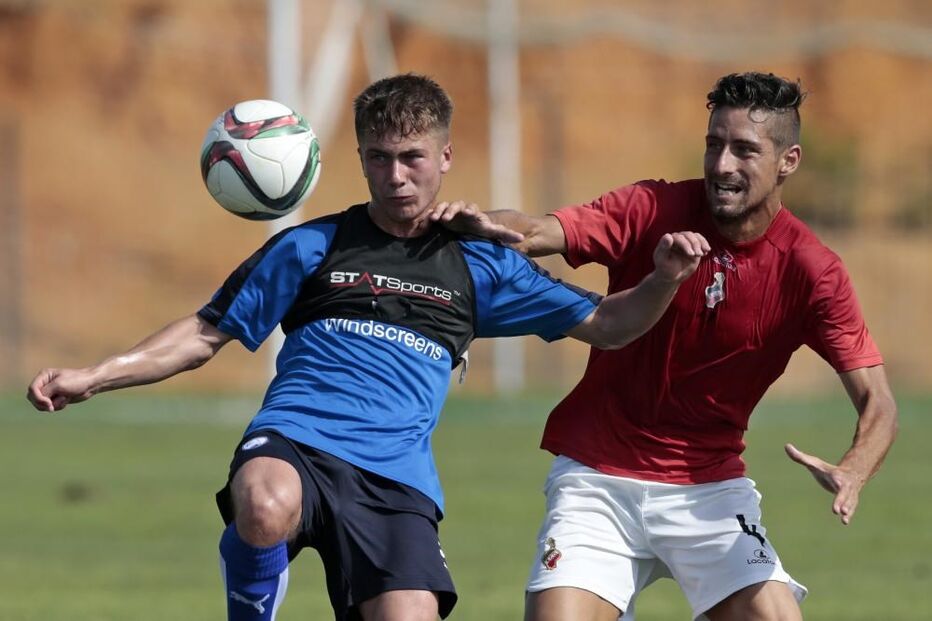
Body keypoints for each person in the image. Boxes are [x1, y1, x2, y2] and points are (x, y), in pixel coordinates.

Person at [26, 73, 709, 621]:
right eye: (378, 159)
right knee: (262, 502)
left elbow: (611, 325)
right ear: (358, 160)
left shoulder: (479, 265)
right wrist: (96, 374)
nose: (396, 176)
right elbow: (206, 331)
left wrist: (666, 277)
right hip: (297, 441)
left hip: (395, 479)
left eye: (412, 158)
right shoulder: (310, 246)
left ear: (445, 157)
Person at [429, 71, 898, 621]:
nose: (722, 165)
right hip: (597, 482)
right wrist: (485, 224)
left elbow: (879, 403)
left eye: (744, 150)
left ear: (788, 161)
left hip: (709, 490)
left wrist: (854, 469)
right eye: (713, 144)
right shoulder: (650, 208)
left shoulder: (812, 270)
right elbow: (535, 231)